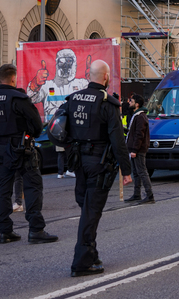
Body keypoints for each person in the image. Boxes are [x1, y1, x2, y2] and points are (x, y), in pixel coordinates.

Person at [61, 60, 133, 277]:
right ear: (106, 77)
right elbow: (118, 140)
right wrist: (126, 170)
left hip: (78, 162)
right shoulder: (107, 103)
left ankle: (91, 254)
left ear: (88, 75)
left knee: (86, 209)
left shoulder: (72, 99)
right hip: (98, 164)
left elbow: (58, 127)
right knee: (91, 213)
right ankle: (81, 263)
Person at [0, 64, 58, 245]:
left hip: (0, 151)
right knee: (32, 187)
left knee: (3, 190)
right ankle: (36, 230)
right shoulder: (19, 98)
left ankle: (5, 231)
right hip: (21, 149)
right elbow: (37, 125)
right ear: (14, 78)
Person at [124, 94, 154, 204]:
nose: (129, 102)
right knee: (136, 172)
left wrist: (134, 150)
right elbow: (134, 133)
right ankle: (137, 194)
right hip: (134, 148)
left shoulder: (140, 116)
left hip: (138, 149)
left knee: (142, 171)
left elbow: (139, 135)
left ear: (137, 104)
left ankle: (149, 195)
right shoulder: (136, 115)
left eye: (131, 101)